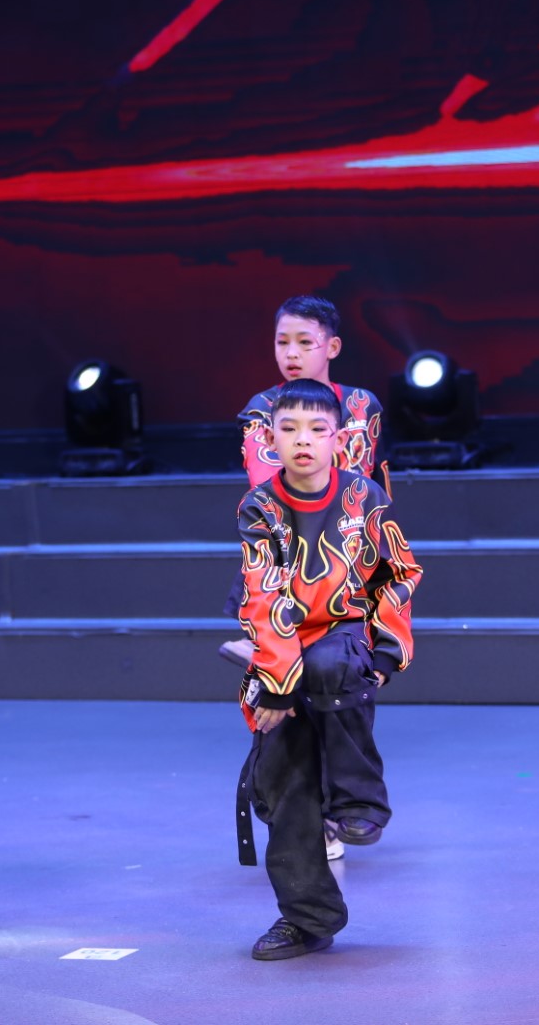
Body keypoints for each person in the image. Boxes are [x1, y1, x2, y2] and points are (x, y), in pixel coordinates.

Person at [234, 379, 421, 959]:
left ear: (339, 439)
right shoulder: (259, 506)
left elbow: (400, 571)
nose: (303, 440)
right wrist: (274, 685)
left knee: (329, 662)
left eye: (317, 429)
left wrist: (386, 652)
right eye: (289, 429)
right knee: (283, 781)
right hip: (281, 650)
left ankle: (359, 800)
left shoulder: (365, 497)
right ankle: (307, 919)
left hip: (346, 635)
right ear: (270, 440)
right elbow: (263, 595)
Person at [221, 294, 387, 860]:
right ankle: (301, 815)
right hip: (279, 565)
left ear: (331, 347)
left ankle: (347, 806)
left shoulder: (360, 405)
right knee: (280, 700)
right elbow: (270, 479)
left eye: (304, 342)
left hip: (344, 571)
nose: (291, 353)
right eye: (282, 342)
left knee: (335, 686)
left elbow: (359, 478)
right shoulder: (261, 407)